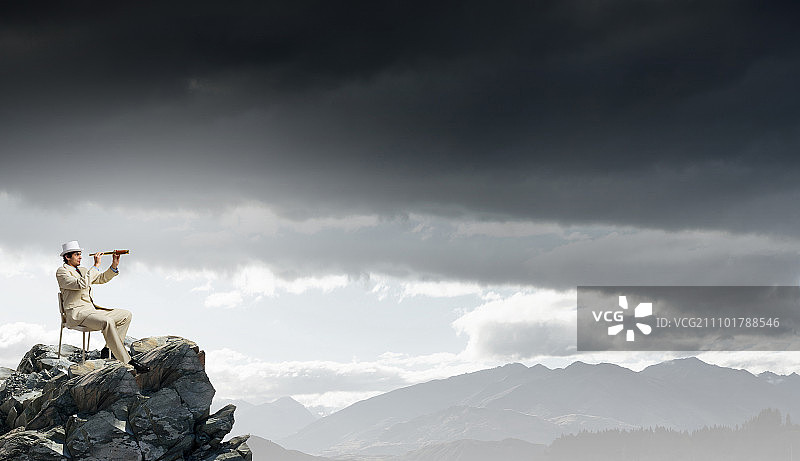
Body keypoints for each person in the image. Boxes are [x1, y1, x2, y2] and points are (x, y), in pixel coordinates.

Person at [56, 240, 149, 373]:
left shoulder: (82, 270)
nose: (80, 257)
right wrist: (95, 265)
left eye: (80, 254)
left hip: (92, 311)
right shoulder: (62, 272)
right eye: (77, 254)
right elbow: (81, 284)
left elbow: (101, 279)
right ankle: (127, 361)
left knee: (126, 315)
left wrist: (113, 266)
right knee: (108, 321)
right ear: (67, 256)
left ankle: (108, 350)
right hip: (77, 314)